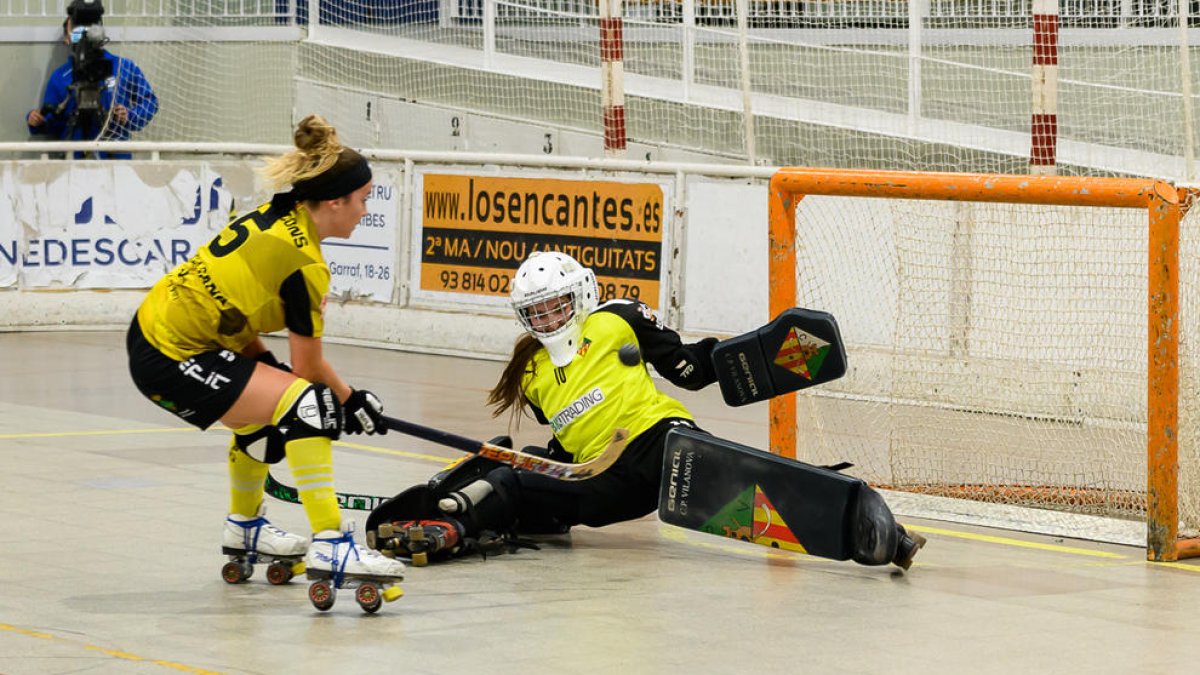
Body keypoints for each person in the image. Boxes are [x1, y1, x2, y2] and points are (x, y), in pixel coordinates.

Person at [368, 250, 924, 570]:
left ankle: (879, 533)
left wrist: (771, 355)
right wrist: (535, 473)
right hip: (603, 484)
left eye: (556, 306)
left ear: (580, 294)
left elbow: (690, 368)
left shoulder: (616, 319)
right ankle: (447, 522)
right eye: (535, 313)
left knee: (743, 475)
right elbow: (564, 447)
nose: (548, 320)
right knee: (513, 476)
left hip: (661, 444)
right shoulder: (532, 376)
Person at [126, 113, 405, 587]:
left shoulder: (279, 216)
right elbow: (309, 368)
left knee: (275, 406)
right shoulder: (305, 263)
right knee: (310, 405)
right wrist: (351, 399)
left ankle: (245, 527)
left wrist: (266, 369)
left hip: (167, 334)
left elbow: (232, 313)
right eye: (363, 200)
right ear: (334, 202)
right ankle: (332, 543)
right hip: (170, 352)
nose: (364, 211)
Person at [26, 0, 158, 159]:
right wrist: (35, 120)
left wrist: (129, 115)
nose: (83, 35)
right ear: (66, 39)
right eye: (76, 30)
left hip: (116, 161)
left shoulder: (124, 67)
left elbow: (150, 102)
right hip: (73, 164)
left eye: (89, 30)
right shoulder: (60, 77)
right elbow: (51, 122)